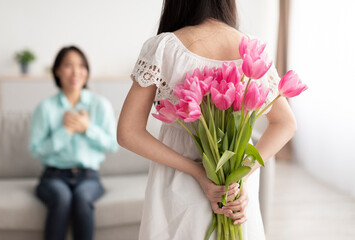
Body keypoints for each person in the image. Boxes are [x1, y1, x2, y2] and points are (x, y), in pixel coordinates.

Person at [117, 0, 297, 239]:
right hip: (236, 192)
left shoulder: (164, 47)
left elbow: (127, 132)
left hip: (179, 180)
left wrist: (198, 171)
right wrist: (240, 175)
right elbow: (286, 123)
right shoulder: (252, 48)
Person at [29, 46, 119, 240]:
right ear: (57, 71)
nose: (76, 72)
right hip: (53, 177)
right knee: (62, 198)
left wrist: (87, 128)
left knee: (82, 198)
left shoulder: (100, 105)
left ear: (87, 71)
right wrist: (65, 132)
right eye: (68, 65)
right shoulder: (45, 108)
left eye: (81, 66)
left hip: (89, 177)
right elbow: (36, 150)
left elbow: (113, 144)